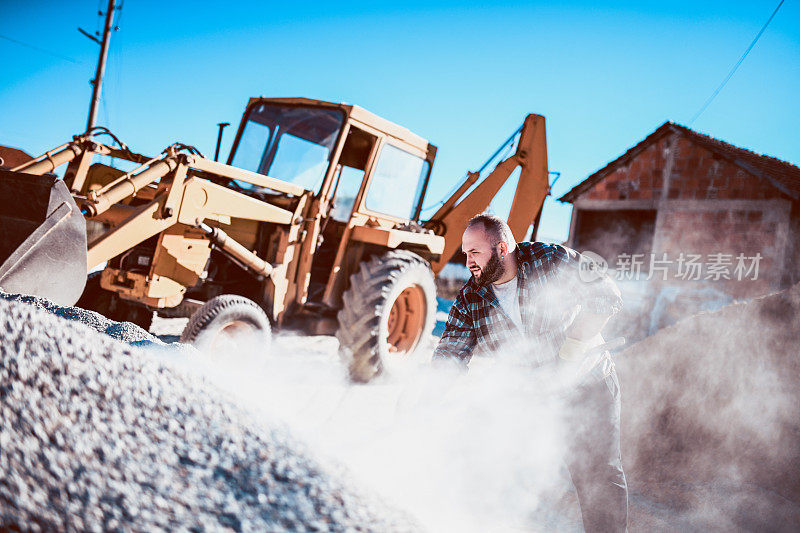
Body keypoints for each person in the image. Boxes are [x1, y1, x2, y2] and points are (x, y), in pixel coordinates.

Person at [433, 213, 628, 532]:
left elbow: (607, 295)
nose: (468, 261)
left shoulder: (550, 259)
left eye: (475, 252)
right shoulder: (471, 299)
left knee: (596, 476)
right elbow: (449, 355)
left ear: (502, 248)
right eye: (465, 253)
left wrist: (569, 354)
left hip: (587, 383)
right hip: (533, 395)